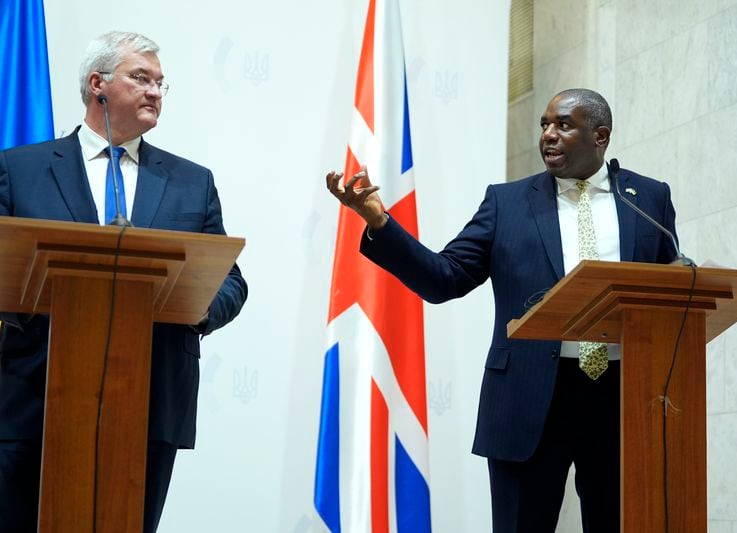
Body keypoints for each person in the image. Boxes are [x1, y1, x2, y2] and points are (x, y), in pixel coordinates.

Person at [326, 88, 678, 532]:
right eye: (544, 125)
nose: (548, 135)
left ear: (600, 135)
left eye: (563, 125)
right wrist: (380, 223)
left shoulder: (646, 199)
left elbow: (672, 285)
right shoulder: (507, 203)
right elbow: (444, 278)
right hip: (527, 399)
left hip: (622, 398)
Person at [0, 31, 247, 532]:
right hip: (32, 398)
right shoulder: (20, 169)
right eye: (141, 78)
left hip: (151, 400)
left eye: (161, 82)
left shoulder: (190, 181)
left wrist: (194, 305)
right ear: (98, 84)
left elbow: (230, 281)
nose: (155, 91)